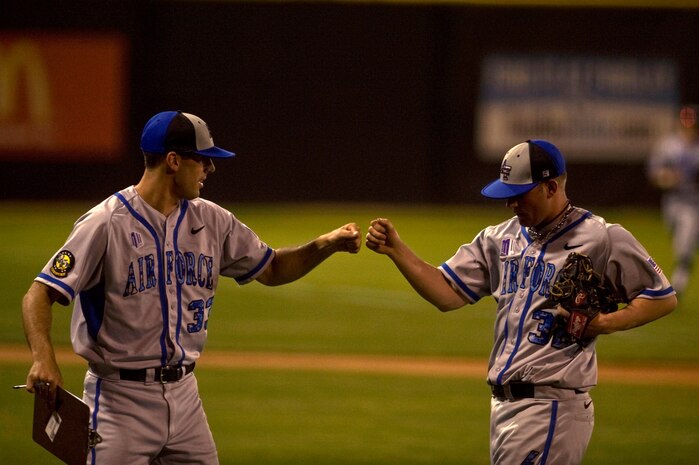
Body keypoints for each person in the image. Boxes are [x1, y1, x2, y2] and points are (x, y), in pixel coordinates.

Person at [21, 110, 362, 465]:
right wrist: (43, 359)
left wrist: (326, 244)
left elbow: (272, 267)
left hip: (186, 400)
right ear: (173, 161)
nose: (209, 169)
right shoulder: (105, 223)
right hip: (118, 403)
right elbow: (40, 293)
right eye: (202, 160)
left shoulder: (212, 220)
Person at [366, 139, 676, 465]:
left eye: (519, 194)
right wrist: (397, 251)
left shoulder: (601, 237)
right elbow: (446, 293)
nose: (510, 203)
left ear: (550, 187)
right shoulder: (499, 238)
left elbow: (661, 297)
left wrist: (604, 323)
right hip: (503, 409)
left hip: (551, 407)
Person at [646, 104, 699, 294]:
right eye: (685, 121)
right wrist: (666, 177)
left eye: (691, 121)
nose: (688, 125)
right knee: (678, 236)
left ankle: (679, 282)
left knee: (684, 244)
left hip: (693, 203)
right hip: (672, 201)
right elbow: (654, 173)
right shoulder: (668, 145)